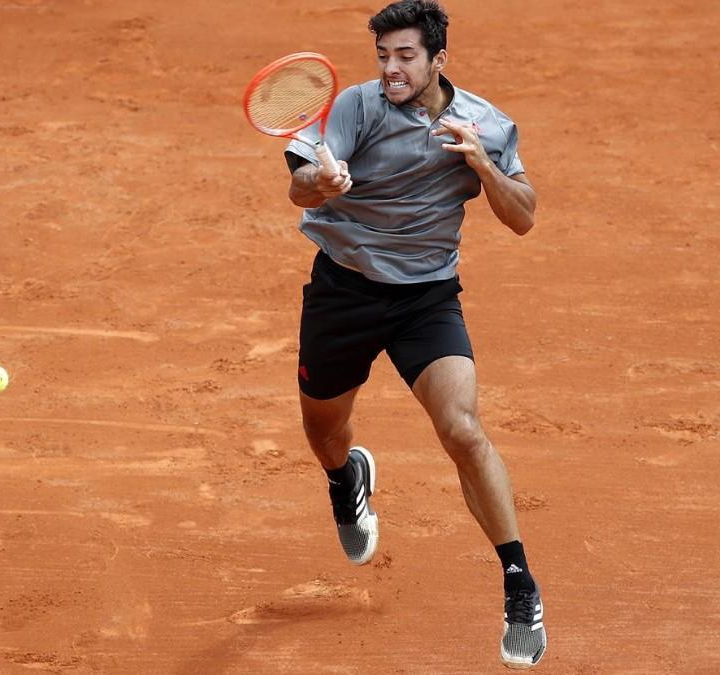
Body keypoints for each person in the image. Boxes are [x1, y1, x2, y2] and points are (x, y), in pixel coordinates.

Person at [281, 0, 546, 668]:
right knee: (324, 430)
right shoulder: (356, 108)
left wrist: (484, 166)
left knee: (463, 429)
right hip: (344, 288)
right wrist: (323, 179)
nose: (391, 69)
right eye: (383, 56)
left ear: (437, 61)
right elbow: (300, 185)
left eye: (404, 56)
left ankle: (519, 579)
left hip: (426, 298)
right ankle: (347, 477)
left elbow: (524, 218)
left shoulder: (486, 122)